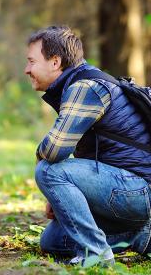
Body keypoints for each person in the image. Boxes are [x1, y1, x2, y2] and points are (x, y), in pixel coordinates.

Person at [24, 25, 151, 266]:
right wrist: (58, 197)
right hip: (126, 190)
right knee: (52, 241)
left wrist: (40, 160)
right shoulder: (76, 84)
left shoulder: (86, 87)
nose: (27, 69)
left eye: (31, 61)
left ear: (54, 62)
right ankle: (140, 236)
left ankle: (96, 254)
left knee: (48, 170)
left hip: (137, 190)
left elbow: (54, 150)